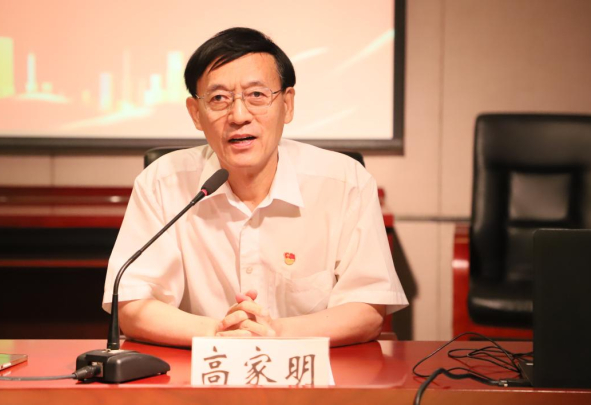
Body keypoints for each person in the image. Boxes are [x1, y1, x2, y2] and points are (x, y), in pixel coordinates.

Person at [102, 27, 407, 348]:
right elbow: (132, 307)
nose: (238, 115)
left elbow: (369, 310)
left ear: (287, 104)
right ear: (195, 114)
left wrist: (274, 333)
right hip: (200, 371)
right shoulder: (162, 183)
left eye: (257, 95)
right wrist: (221, 333)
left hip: (313, 372)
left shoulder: (345, 182)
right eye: (218, 98)